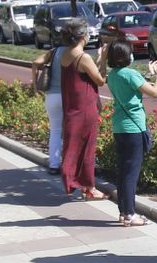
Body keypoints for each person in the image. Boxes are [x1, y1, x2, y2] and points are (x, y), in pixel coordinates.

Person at [105, 41, 157, 225]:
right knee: (131, 173)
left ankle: (123, 211)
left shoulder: (113, 75)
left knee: (123, 171)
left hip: (120, 127)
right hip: (134, 129)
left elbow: (135, 85)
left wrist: (148, 74)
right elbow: (154, 91)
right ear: (126, 56)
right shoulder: (130, 74)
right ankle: (130, 214)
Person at [55, 20, 108, 201]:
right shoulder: (83, 57)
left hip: (72, 107)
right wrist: (104, 58)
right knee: (88, 149)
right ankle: (89, 187)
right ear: (83, 37)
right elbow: (100, 80)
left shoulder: (65, 55)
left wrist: (99, 59)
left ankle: (82, 184)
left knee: (74, 146)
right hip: (86, 108)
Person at [31, 34, 66, 174]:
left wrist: (34, 85)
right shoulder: (74, 52)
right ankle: (70, 164)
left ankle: (54, 164)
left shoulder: (54, 51)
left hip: (52, 95)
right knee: (70, 131)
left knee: (55, 130)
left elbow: (35, 62)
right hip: (68, 96)